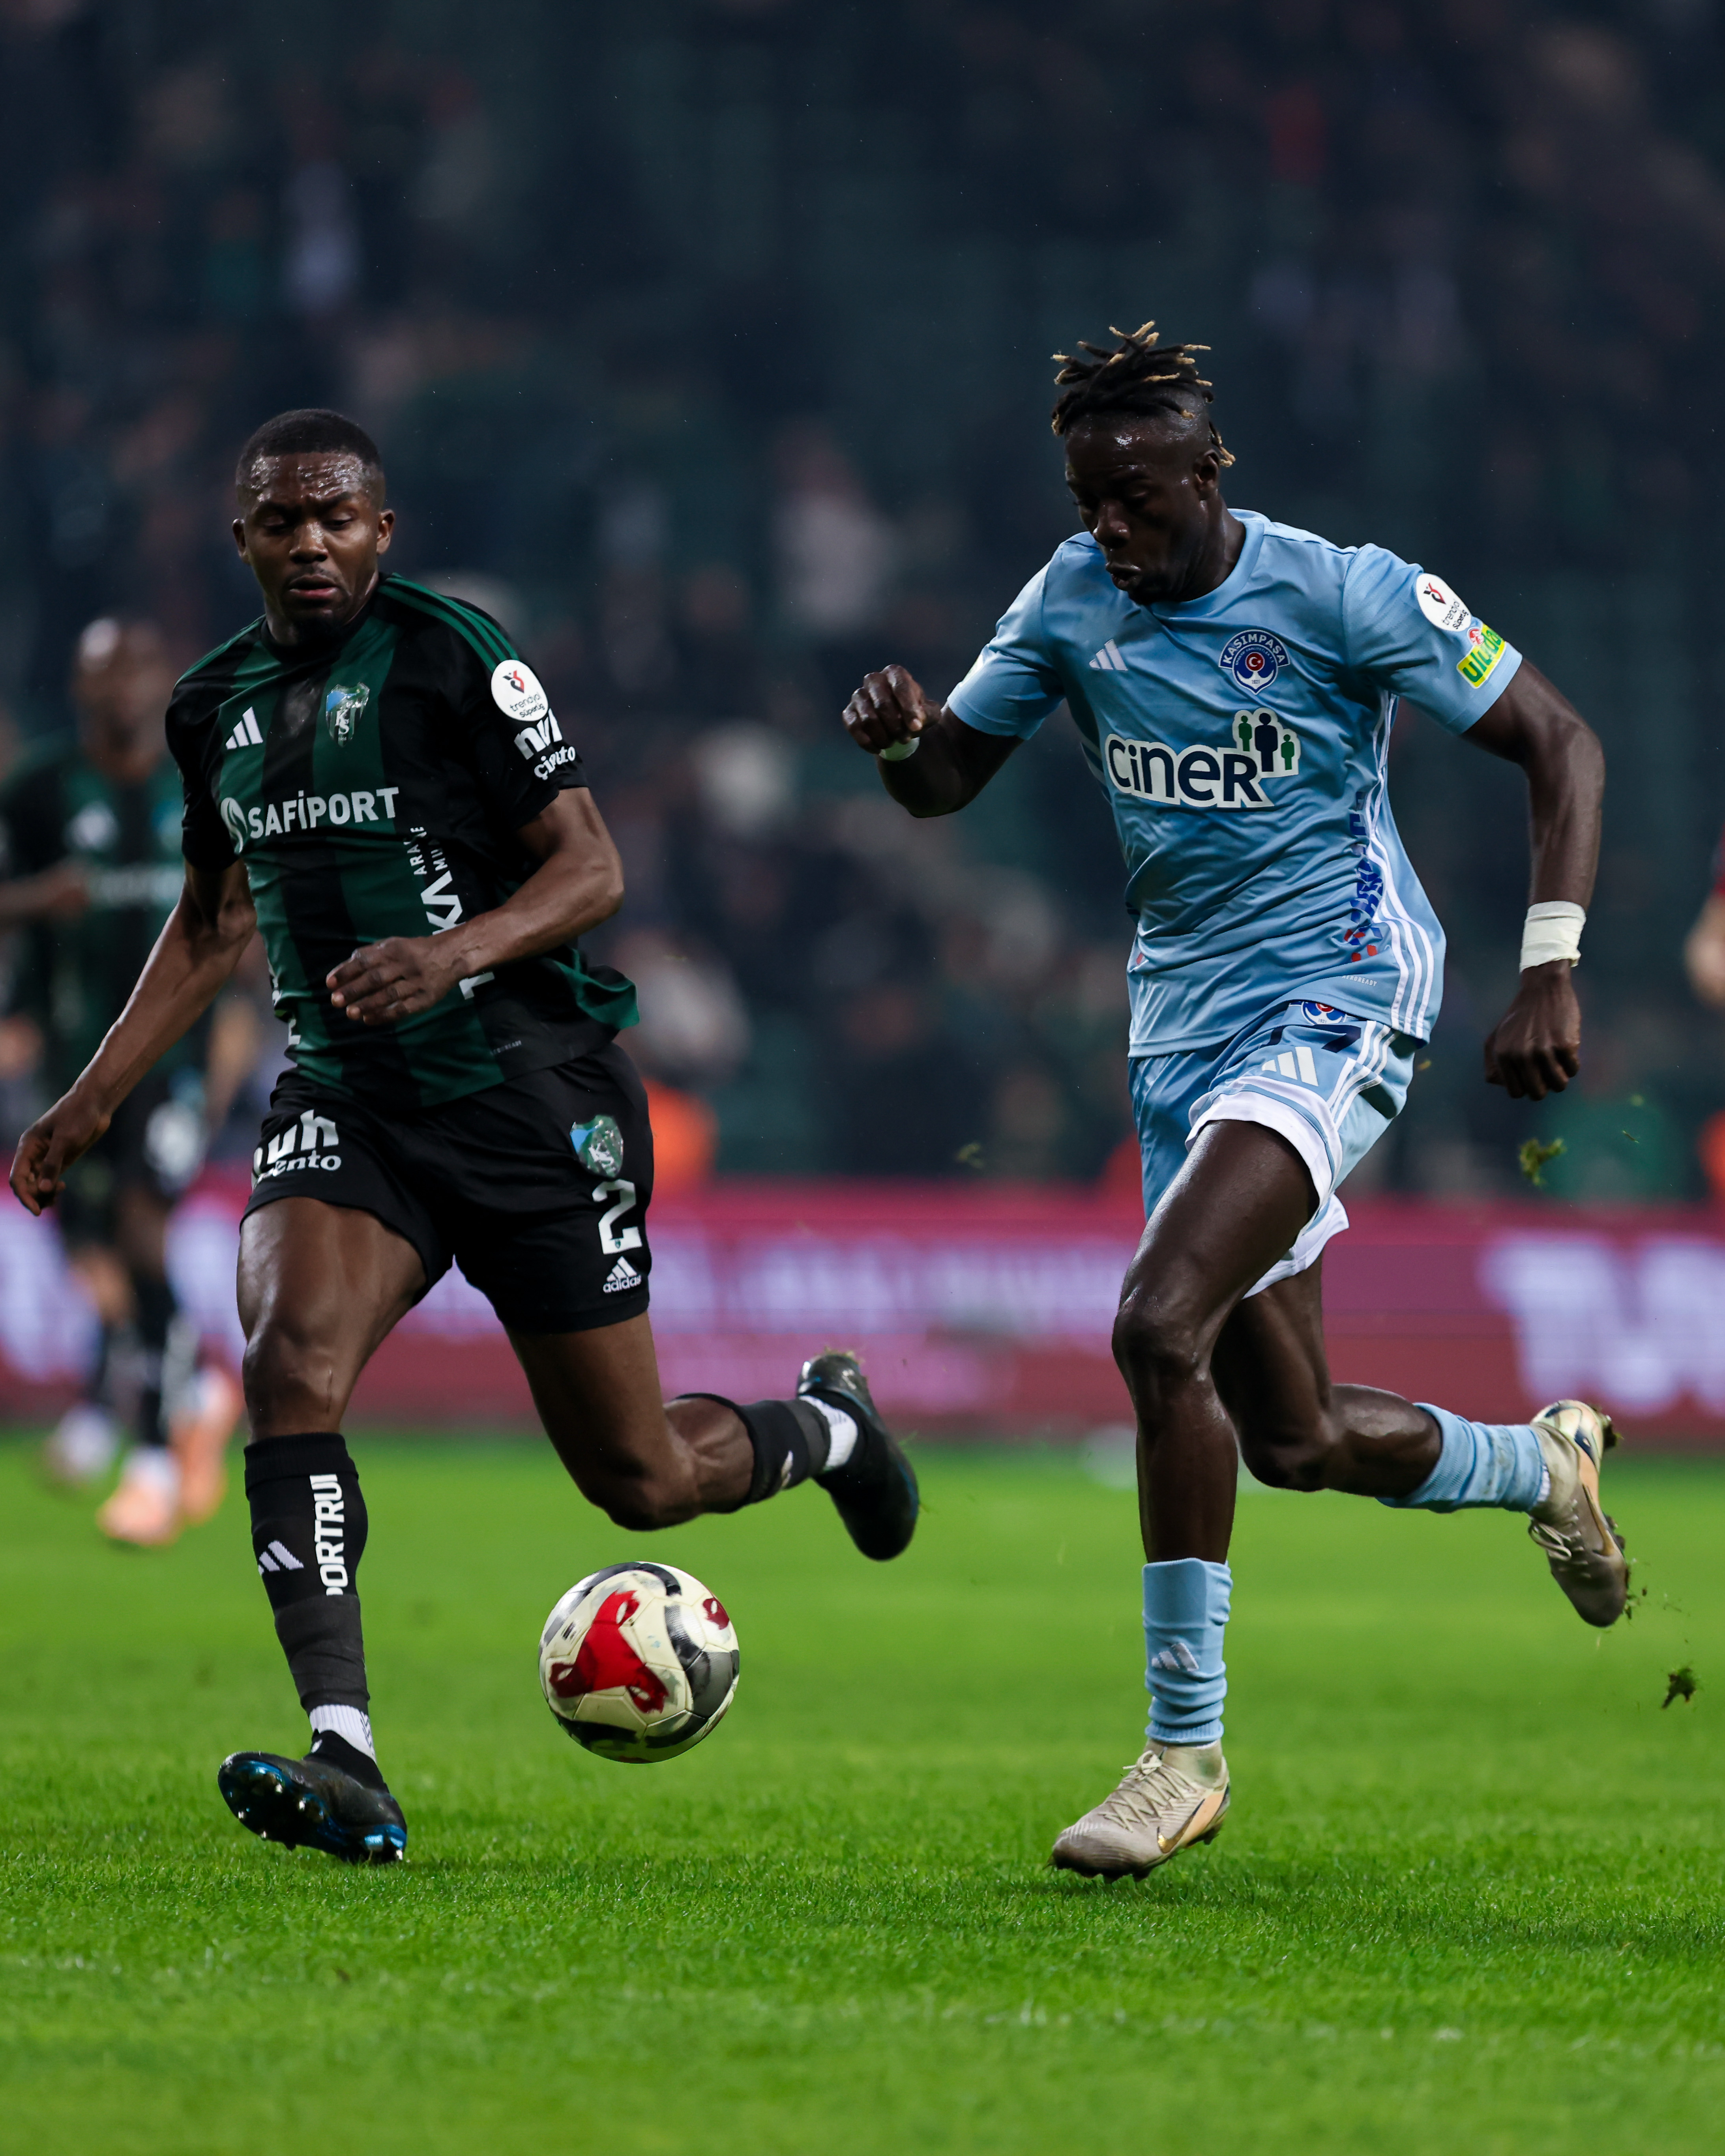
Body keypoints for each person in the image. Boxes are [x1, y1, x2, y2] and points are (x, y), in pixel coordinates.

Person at [9, 408, 917, 1866]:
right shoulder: (210, 707)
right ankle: (347, 1755)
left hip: (527, 1094)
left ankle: (831, 1427)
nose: (312, 542)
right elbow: (212, 921)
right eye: (283, 521)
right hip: (349, 1100)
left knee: (639, 1477)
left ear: (383, 530)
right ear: (242, 538)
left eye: (338, 517)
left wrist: (452, 953)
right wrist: (92, 1092)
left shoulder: (452, 658)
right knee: (290, 1368)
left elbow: (592, 868)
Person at [841, 324, 1622, 1880]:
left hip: (1341, 990)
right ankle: (1544, 1467)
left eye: (1135, 497)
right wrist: (899, 744)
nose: (1108, 528)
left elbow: (1562, 741)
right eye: (1086, 500)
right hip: (1181, 1032)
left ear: (1208, 473)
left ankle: (1180, 1754)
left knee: (1155, 1327)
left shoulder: (1342, 592)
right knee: (1296, 1436)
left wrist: (1551, 962)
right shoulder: (1069, 598)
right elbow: (947, 783)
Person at [0, 618, 240, 1546]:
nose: (121, 687)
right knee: (97, 1257)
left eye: (136, 670)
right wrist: (39, 899)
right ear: (79, 685)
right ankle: (196, 1389)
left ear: (162, 682)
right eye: (103, 672)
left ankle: (149, 1458)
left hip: (174, 1063)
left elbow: (240, 925)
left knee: (142, 1231)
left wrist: (227, 1059)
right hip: (73, 1071)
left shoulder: (206, 780)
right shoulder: (40, 791)